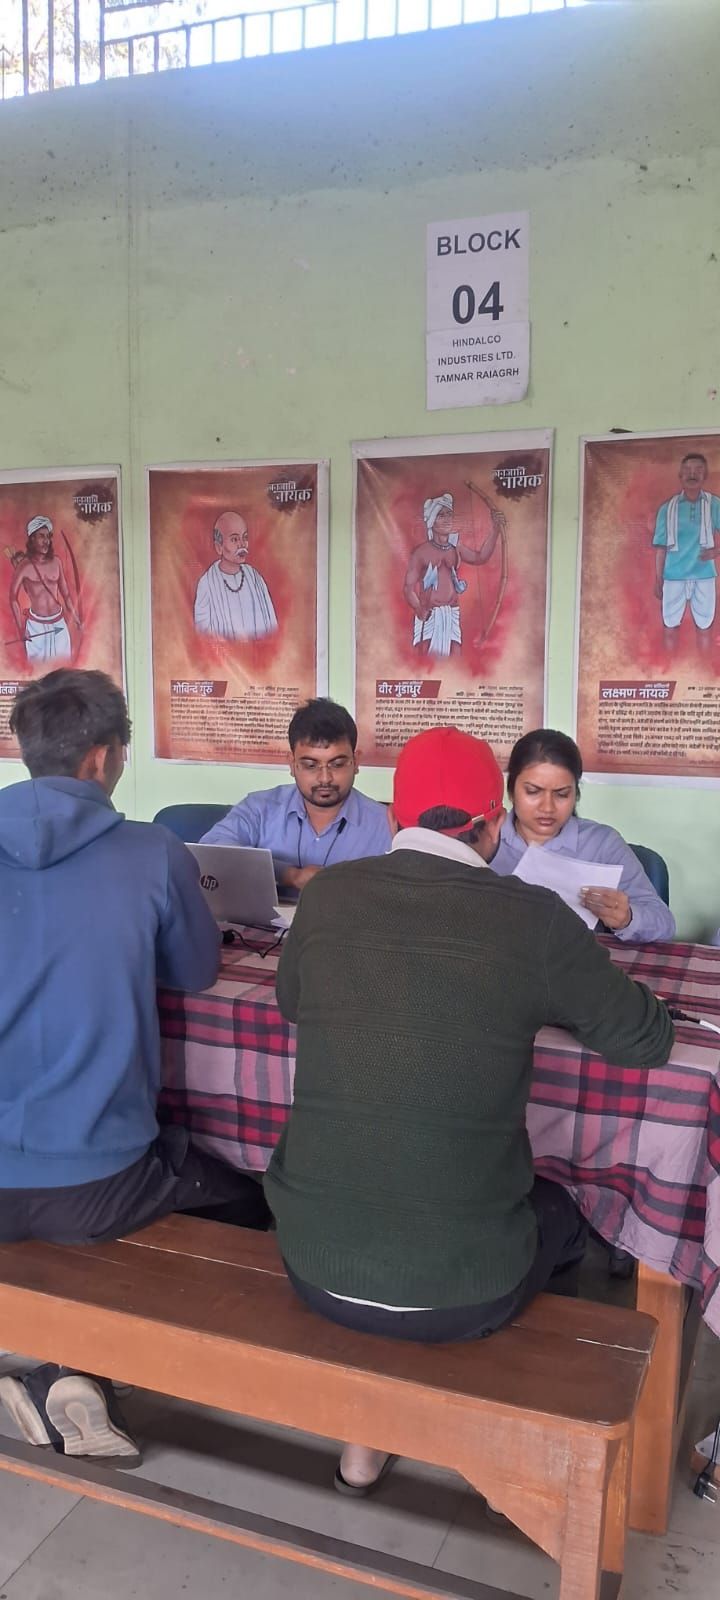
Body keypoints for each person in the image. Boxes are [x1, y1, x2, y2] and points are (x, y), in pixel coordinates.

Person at [263, 725, 673, 1496]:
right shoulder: (532, 917)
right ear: (493, 824)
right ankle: (517, 1454)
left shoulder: (330, 897)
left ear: (394, 817)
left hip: (312, 1262)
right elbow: (647, 1038)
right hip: (466, 1284)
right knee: (565, 1209)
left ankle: (368, 1436)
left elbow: (292, 1001)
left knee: (399, 1204)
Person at [0, 668, 270, 1461]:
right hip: (97, 1180)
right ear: (103, 758)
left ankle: (62, 1356)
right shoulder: (151, 851)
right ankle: (87, 1362)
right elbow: (195, 972)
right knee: (245, 1197)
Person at [491, 728, 675, 943]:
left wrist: (627, 918)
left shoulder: (602, 844)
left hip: (576, 959)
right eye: (533, 791)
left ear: (576, 794)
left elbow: (665, 923)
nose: (547, 807)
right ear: (511, 791)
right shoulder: (486, 838)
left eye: (562, 794)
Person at [200, 697, 391, 892]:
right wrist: (288, 875)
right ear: (292, 764)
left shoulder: (384, 824)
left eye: (337, 764)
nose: (325, 778)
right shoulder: (259, 808)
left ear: (356, 762)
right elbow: (212, 851)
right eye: (310, 765)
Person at [403, 492, 504, 657]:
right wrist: (419, 608)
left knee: (454, 658)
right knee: (425, 660)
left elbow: (480, 557)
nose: (447, 519)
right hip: (429, 616)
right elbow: (408, 588)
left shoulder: (455, 547)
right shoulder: (421, 553)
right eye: (441, 515)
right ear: (432, 521)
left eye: (449, 514)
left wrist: (495, 531)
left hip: (452, 614)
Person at [652, 453, 720, 647]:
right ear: (680, 475)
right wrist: (658, 579)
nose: (692, 474)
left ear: (705, 475)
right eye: (688, 470)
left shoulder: (715, 504)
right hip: (673, 576)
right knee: (670, 628)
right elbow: (661, 548)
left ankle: (703, 665)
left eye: (698, 470)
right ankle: (669, 663)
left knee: (705, 628)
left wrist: (716, 551)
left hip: (704, 575)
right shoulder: (667, 508)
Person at [193, 510, 278, 642]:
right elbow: (202, 636)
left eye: (245, 538)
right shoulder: (207, 584)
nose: (242, 545)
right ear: (219, 547)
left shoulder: (255, 577)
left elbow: (271, 626)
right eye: (234, 539)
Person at [8, 516, 81, 663]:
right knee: (38, 671)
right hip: (36, 627)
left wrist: (76, 617)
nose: (46, 541)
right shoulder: (24, 566)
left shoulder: (56, 562)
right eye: (42, 536)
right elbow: (13, 597)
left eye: (48, 536)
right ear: (32, 539)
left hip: (59, 624)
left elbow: (66, 594)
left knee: (63, 668)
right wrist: (21, 629)